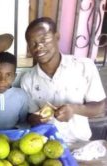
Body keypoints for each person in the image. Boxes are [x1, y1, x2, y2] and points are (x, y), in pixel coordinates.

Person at [20, 17, 106, 146]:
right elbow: (30, 117)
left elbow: (101, 107)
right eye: (33, 43)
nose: (39, 47)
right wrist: (36, 119)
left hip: (79, 143)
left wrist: (74, 109)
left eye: (44, 39)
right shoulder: (28, 79)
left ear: (57, 36)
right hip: (44, 146)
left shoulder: (84, 67)